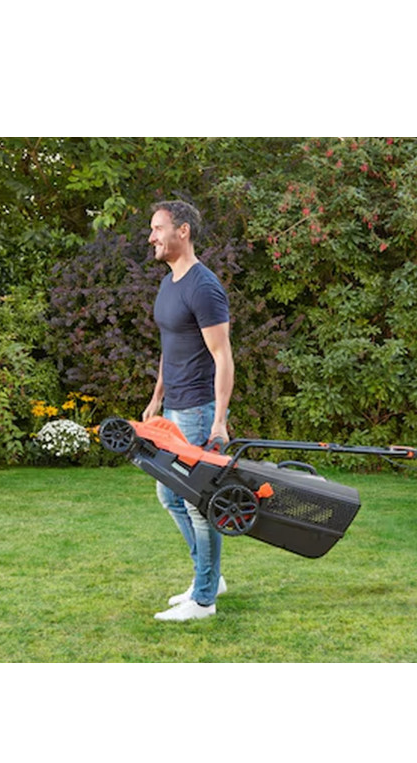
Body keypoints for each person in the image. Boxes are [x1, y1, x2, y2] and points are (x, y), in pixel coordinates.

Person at [143, 200, 234, 622]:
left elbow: (223, 356)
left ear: (183, 231)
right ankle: (208, 577)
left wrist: (219, 420)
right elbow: (170, 346)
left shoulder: (203, 287)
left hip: (198, 409)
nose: (152, 237)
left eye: (158, 228)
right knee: (169, 494)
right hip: (174, 407)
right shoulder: (169, 284)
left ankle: (204, 600)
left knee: (197, 501)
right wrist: (156, 397)